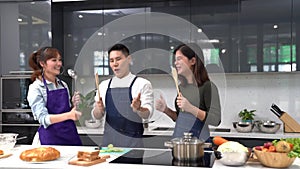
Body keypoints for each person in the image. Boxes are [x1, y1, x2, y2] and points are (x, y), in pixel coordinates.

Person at [155, 43, 221, 142]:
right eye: (175, 60)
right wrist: (166, 110)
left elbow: (216, 120)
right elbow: (181, 118)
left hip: (198, 145)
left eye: (179, 59)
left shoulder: (208, 87)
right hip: (180, 144)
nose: (175, 63)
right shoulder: (181, 88)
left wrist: (191, 108)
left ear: (193, 61)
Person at [92, 43, 154, 148]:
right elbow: (97, 116)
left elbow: (147, 114)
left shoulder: (142, 84)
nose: (115, 64)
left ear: (128, 59)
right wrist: (99, 109)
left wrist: (139, 109)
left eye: (118, 59)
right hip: (109, 145)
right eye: (111, 61)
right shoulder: (103, 86)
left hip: (133, 146)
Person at [27, 47, 82, 146]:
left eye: (60, 60)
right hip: (50, 140)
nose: (59, 64)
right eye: (54, 60)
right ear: (42, 64)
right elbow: (43, 119)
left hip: (70, 136)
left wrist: (73, 104)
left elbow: (66, 112)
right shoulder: (36, 88)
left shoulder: (63, 85)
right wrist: (69, 115)